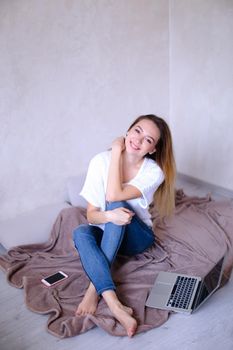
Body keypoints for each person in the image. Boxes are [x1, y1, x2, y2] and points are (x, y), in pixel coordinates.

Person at [73, 114, 176, 337]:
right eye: (137, 131)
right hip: (107, 230)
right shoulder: (100, 161)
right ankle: (114, 304)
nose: (139, 140)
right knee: (81, 232)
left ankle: (94, 288)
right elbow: (92, 215)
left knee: (117, 203)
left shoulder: (153, 172)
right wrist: (109, 218)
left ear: (152, 149)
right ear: (128, 131)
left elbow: (113, 195)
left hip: (137, 237)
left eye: (148, 140)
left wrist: (117, 152)